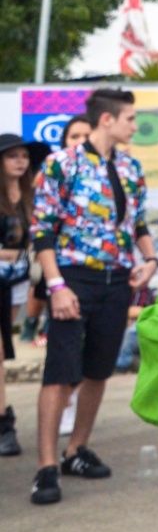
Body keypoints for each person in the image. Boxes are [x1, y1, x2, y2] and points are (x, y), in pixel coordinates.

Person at [28, 88, 158, 506]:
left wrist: (151, 259)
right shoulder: (61, 163)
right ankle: (46, 467)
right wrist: (56, 286)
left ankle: (75, 451)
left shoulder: (130, 166)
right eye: (131, 119)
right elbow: (42, 230)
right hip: (72, 277)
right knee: (59, 372)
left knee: (99, 370)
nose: (135, 126)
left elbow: (137, 221)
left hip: (118, 279)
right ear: (108, 120)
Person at [18, 117, 93, 350]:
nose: (81, 142)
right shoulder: (54, 167)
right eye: (74, 136)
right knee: (42, 286)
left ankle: (47, 332)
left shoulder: (106, 170)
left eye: (86, 136)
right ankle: (31, 328)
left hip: (85, 259)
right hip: (50, 247)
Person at [1, 131, 52, 457]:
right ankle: (4, 423)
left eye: (24, 156)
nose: (20, 161)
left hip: (18, 283)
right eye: (12, 155)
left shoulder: (33, 193)